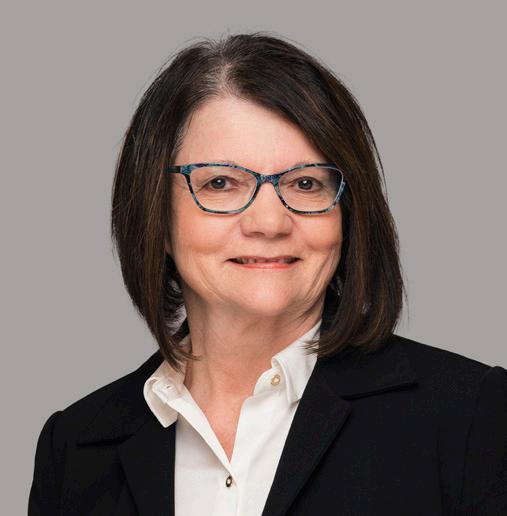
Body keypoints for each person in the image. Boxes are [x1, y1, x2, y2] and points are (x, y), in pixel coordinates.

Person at [28, 32, 507, 516]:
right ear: (157, 215)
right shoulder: (76, 450)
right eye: (220, 183)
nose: (270, 222)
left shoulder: (471, 416)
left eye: (306, 183)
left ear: (347, 212)